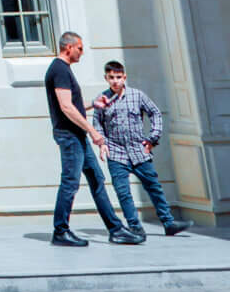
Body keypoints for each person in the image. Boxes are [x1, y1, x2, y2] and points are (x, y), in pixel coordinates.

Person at [45, 31, 131, 246]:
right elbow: (65, 107)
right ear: (69, 48)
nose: (82, 52)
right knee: (70, 182)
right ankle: (60, 231)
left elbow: (71, 106)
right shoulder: (59, 70)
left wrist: (93, 104)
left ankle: (116, 229)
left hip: (77, 135)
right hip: (70, 136)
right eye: (80, 48)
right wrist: (93, 132)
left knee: (96, 179)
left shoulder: (63, 70)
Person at [91, 60, 187, 238]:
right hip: (116, 152)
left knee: (154, 187)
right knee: (123, 192)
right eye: (111, 77)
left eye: (118, 77)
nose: (115, 81)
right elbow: (97, 123)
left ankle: (168, 222)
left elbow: (155, 113)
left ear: (124, 77)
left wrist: (153, 138)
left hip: (139, 151)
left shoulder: (137, 96)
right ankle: (135, 227)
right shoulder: (101, 100)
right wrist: (102, 143)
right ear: (106, 78)